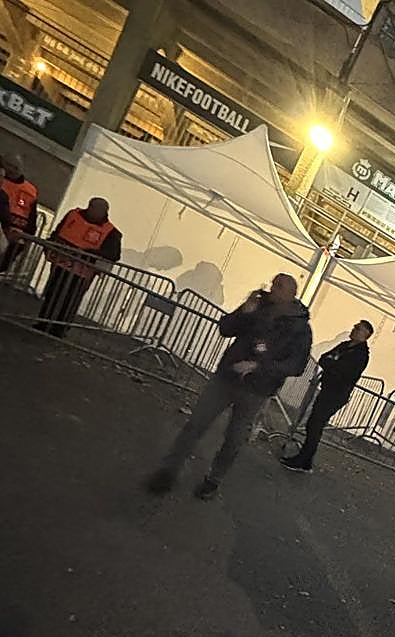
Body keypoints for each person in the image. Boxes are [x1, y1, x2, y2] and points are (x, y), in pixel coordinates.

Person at [145, 274, 311, 500]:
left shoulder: (300, 326)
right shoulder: (260, 305)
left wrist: (259, 366)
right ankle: (168, 471)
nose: (272, 288)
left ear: (292, 293)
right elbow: (225, 328)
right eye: (273, 283)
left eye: (279, 286)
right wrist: (245, 311)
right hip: (227, 377)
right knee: (195, 424)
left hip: (256, 390)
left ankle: (213, 480)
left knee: (233, 439)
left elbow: (296, 364)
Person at [280, 320, 372, 473]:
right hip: (328, 389)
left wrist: (333, 364)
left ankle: (304, 459)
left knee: (316, 424)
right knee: (313, 423)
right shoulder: (345, 346)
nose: (354, 329)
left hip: (336, 394)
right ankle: (305, 459)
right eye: (355, 326)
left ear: (365, 335)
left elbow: (344, 373)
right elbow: (325, 358)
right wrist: (333, 364)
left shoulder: (360, 355)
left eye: (358, 328)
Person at [33, 197, 122, 337]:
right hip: (61, 263)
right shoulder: (73, 215)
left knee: (71, 299)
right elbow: (59, 231)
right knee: (52, 292)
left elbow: (113, 254)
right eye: (92, 208)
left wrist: (90, 253)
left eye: (97, 210)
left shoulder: (111, 233)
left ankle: (59, 328)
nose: (94, 212)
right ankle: (43, 321)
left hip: (82, 271)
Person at [1, 155, 38, 271]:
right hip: (3, 230)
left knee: (3, 265)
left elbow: (32, 217)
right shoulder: (1, 180)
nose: (12, 169)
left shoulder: (30, 190)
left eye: (15, 166)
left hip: (17, 236)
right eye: (9, 165)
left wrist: (27, 237)